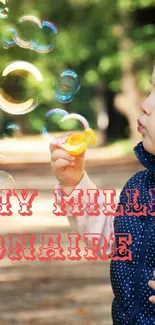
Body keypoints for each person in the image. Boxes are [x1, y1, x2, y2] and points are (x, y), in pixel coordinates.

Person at [50, 63, 155, 324]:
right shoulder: (140, 186)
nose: (145, 104)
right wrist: (75, 186)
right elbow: (116, 241)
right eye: (151, 89)